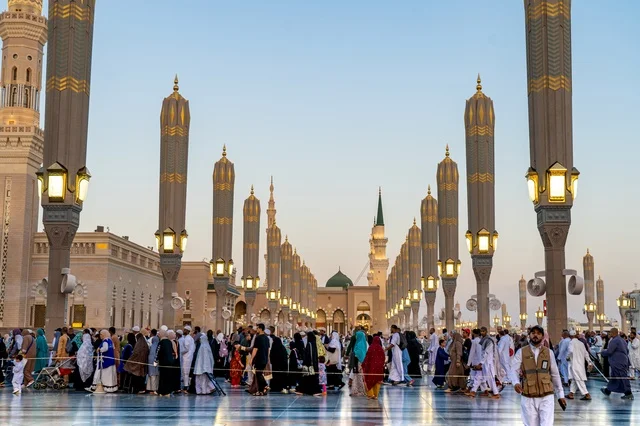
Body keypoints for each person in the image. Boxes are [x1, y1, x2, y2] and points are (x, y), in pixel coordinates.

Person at [510, 325, 565, 426]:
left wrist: (560, 395)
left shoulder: (549, 353)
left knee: (547, 424)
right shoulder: (521, 352)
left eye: (538, 333)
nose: (535, 335)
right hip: (528, 396)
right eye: (533, 333)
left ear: (542, 336)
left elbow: (555, 375)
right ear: (529, 335)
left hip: (546, 395)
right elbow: (513, 370)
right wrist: (516, 382)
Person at [600, 327, 634, 400]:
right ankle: (608, 390)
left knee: (622, 377)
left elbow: (609, 351)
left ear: (613, 333)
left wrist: (602, 352)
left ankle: (628, 393)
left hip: (618, 362)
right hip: (623, 361)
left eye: (610, 332)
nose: (609, 334)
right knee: (614, 377)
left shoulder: (614, 341)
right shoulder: (622, 340)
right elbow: (627, 351)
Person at [468, 327, 499, 399]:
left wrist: (480, 363)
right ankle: (473, 391)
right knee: (478, 376)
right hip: (483, 363)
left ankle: (496, 393)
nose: (482, 333)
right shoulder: (483, 340)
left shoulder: (489, 341)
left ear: (486, 331)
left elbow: (487, 352)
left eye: (483, 331)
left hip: (488, 363)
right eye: (481, 331)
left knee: (490, 378)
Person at [566, 330, 592, 400]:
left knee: (579, 379)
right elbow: (586, 353)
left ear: (570, 336)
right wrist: (589, 362)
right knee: (575, 379)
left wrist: (567, 357)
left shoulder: (571, 343)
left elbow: (570, 351)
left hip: (575, 364)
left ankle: (587, 394)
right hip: (581, 364)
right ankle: (571, 394)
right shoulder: (581, 343)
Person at [296, 327, 322, 396]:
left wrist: (306, 363)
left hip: (309, 365)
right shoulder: (314, 344)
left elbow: (309, 355)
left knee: (308, 378)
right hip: (313, 365)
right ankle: (309, 391)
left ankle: (311, 391)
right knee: (310, 378)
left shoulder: (309, 344)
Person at [124, 329, 150, 394]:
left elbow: (135, 353)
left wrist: (130, 360)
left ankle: (136, 389)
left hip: (137, 364)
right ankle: (140, 389)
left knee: (136, 377)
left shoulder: (139, 344)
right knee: (140, 377)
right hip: (142, 364)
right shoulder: (144, 344)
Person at [157, 330, 180, 396]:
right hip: (170, 363)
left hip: (163, 363)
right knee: (168, 377)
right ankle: (168, 391)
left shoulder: (161, 342)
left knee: (162, 378)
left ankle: (162, 391)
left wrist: (155, 363)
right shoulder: (169, 342)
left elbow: (157, 353)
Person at [362, 335, 385, 399]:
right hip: (379, 367)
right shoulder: (381, 348)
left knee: (370, 379)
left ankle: (370, 394)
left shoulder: (371, 347)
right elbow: (383, 357)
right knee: (377, 380)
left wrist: (364, 364)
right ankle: (376, 395)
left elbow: (367, 357)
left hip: (371, 367)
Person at [250, 323, 270, 396]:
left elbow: (255, 349)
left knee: (259, 374)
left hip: (259, 358)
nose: (256, 329)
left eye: (257, 328)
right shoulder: (267, 338)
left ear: (261, 329)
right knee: (260, 374)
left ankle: (265, 385)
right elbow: (268, 350)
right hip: (264, 358)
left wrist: (251, 359)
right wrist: (267, 358)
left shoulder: (258, 338)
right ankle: (261, 391)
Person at [350, 330, 368, 396]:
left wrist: (355, 354)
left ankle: (360, 391)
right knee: (356, 376)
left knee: (359, 376)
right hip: (358, 361)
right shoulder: (361, 343)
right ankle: (355, 390)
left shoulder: (360, 344)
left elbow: (359, 353)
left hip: (359, 362)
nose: (356, 337)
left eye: (357, 336)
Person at [146, 330, 160, 394]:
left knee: (150, 375)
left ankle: (149, 388)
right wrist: (156, 362)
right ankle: (154, 389)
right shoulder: (158, 346)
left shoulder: (152, 346)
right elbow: (156, 355)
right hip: (155, 362)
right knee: (155, 375)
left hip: (150, 362)